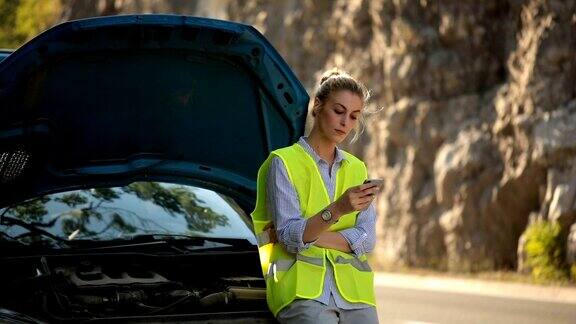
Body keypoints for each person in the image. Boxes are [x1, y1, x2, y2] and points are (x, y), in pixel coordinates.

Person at [251, 68, 380, 323]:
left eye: (354, 116)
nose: (346, 123)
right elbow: (289, 238)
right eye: (339, 111)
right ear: (317, 106)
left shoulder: (357, 168)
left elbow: (367, 240)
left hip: (355, 296)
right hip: (302, 294)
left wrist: (311, 234)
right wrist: (339, 209)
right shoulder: (284, 163)